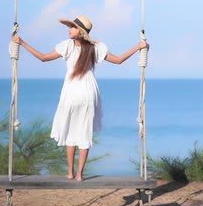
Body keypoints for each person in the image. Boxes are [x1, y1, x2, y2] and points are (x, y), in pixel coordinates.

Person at [11, 15, 148, 181]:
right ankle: (79, 175)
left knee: (70, 130)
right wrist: (139, 46)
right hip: (89, 91)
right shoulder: (96, 47)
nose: (69, 30)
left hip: (72, 90)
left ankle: (70, 172)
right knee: (84, 131)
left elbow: (43, 58)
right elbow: (118, 61)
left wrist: (22, 43)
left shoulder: (67, 46)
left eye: (72, 27)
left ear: (81, 31)